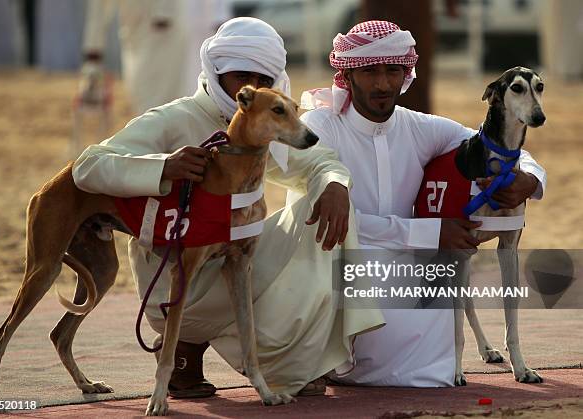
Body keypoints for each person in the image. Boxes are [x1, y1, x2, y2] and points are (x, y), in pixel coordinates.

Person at [73, 17, 384, 398]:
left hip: (235, 268)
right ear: (216, 72)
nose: (250, 87)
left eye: (263, 79)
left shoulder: (266, 121)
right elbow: (87, 166)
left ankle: (293, 364)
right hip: (175, 287)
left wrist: (335, 185)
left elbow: (322, 164)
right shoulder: (176, 118)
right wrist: (161, 167)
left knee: (327, 210)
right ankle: (185, 351)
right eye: (240, 75)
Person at [297, 20, 547, 386]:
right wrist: (429, 231)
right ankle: (318, 356)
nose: (382, 84)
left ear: (406, 74)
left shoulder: (419, 127)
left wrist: (530, 177)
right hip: (330, 264)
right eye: (369, 71)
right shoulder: (321, 124)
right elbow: (340, 216)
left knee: (430, 355)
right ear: (346, 76)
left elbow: (490, 145)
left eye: (392, 71)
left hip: (403, 265)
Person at [82, 0, 231, 114]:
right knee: (145, 104)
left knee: (181, 101)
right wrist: (93, 51)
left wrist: (218, 16)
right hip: (138, 36)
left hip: (177, 34)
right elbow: (99, 9)